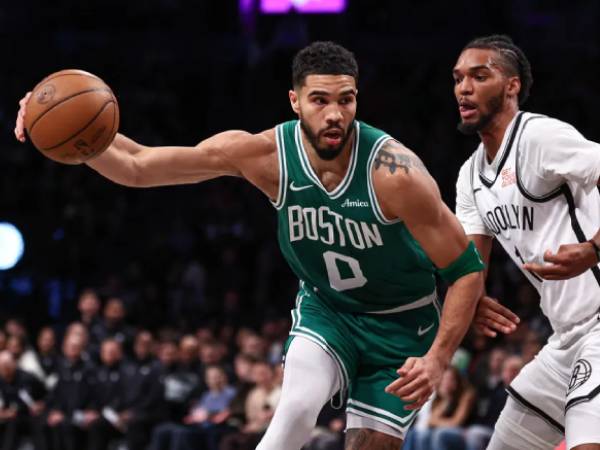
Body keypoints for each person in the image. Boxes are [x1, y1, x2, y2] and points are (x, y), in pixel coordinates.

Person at [16, 41, 485, 449]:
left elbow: (464, 268)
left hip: (402, 325)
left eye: (346, 99)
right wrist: (61, 128)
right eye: (319, 99)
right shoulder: (264, 156)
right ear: (294, 101)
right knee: (295, 414)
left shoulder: (395, 174)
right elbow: (138, 165)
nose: (335, 113)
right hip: (329, 310)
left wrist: (439, 357)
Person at [453, 34, 600, 450]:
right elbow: (470, 263)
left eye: (480, 76)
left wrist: (593, 249)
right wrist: (473, 295)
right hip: (566, 335)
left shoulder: (540, 137)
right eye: (459, 78)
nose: (464, 88)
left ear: (512, 86)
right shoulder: (469, 177)